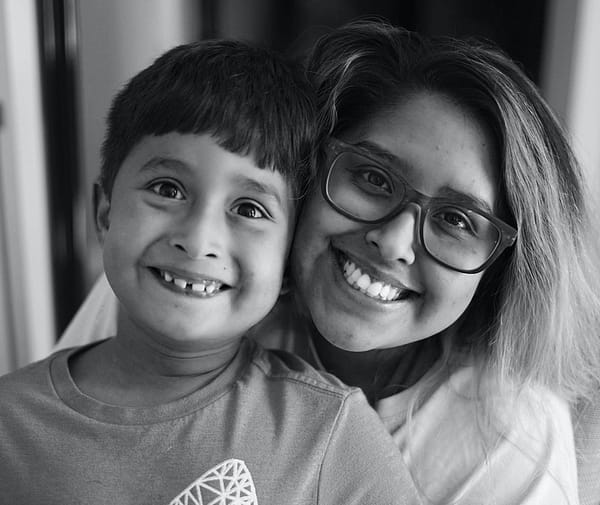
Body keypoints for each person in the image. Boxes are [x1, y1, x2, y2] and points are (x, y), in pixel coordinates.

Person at [56, 21, 600, 504]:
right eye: (371, 178)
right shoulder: (184, 286)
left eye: (457, 221)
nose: (392, 242)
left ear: (500, 267)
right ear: (305, 175)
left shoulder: (510, 443)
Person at [0, 39, 419, 504]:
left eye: (249, 208)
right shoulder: (10, 420)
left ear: (286, 266)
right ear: (104, 213)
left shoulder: (329, 432)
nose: (198, 239)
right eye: (167, 188)